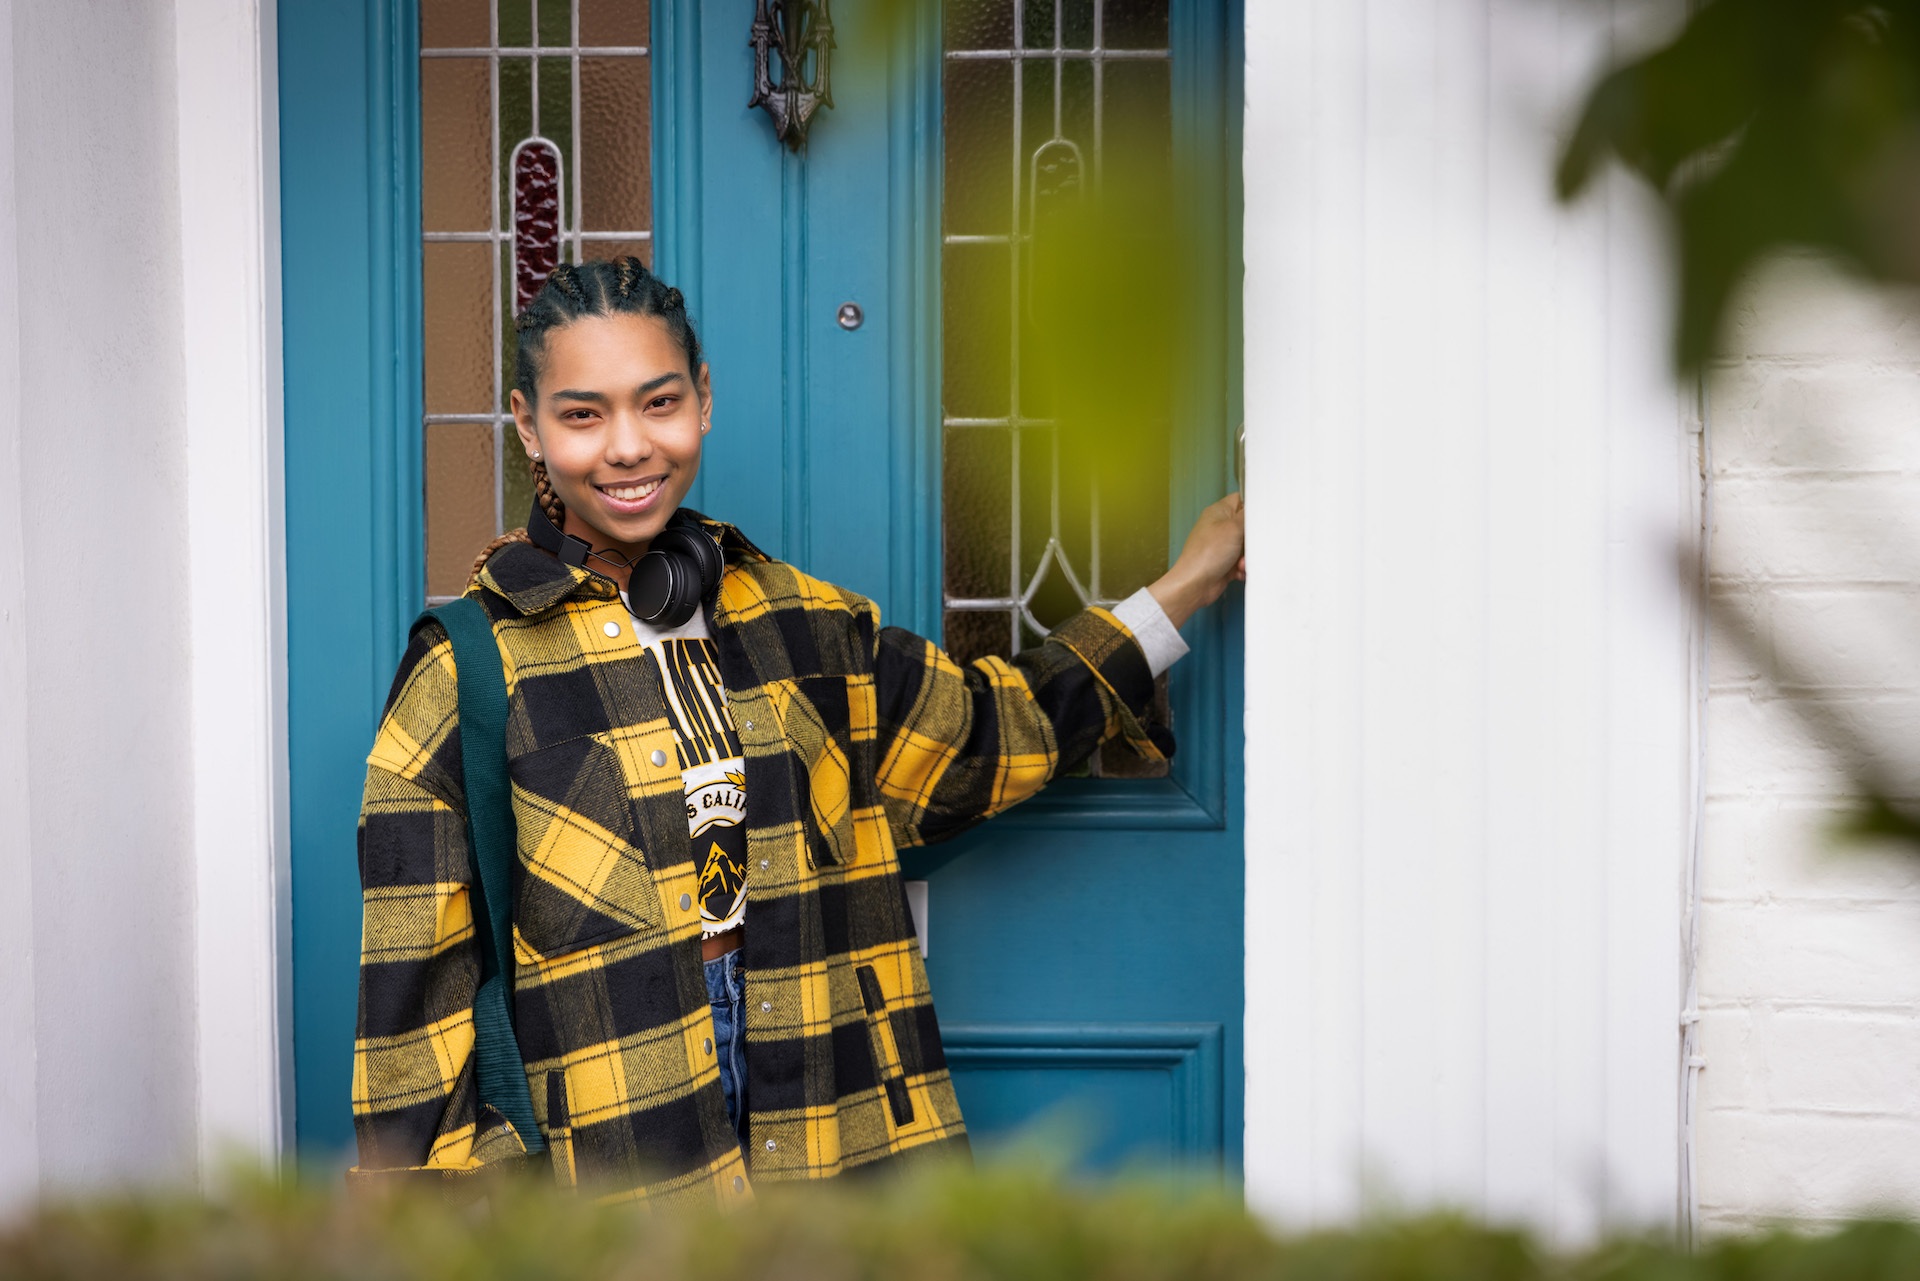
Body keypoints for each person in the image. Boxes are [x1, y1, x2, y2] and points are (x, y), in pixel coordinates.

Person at [351, 257, 1245, 1207]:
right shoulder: (466, 667)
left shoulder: (798, 620)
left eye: (659, 402)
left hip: (827, 1085)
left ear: (703, 398)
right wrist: (442, 1216)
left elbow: (989, 730)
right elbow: (414, 989)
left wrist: (1182, 586)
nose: (628, 447)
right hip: (615, 1123)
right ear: (529, 425)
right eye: (583, 414)